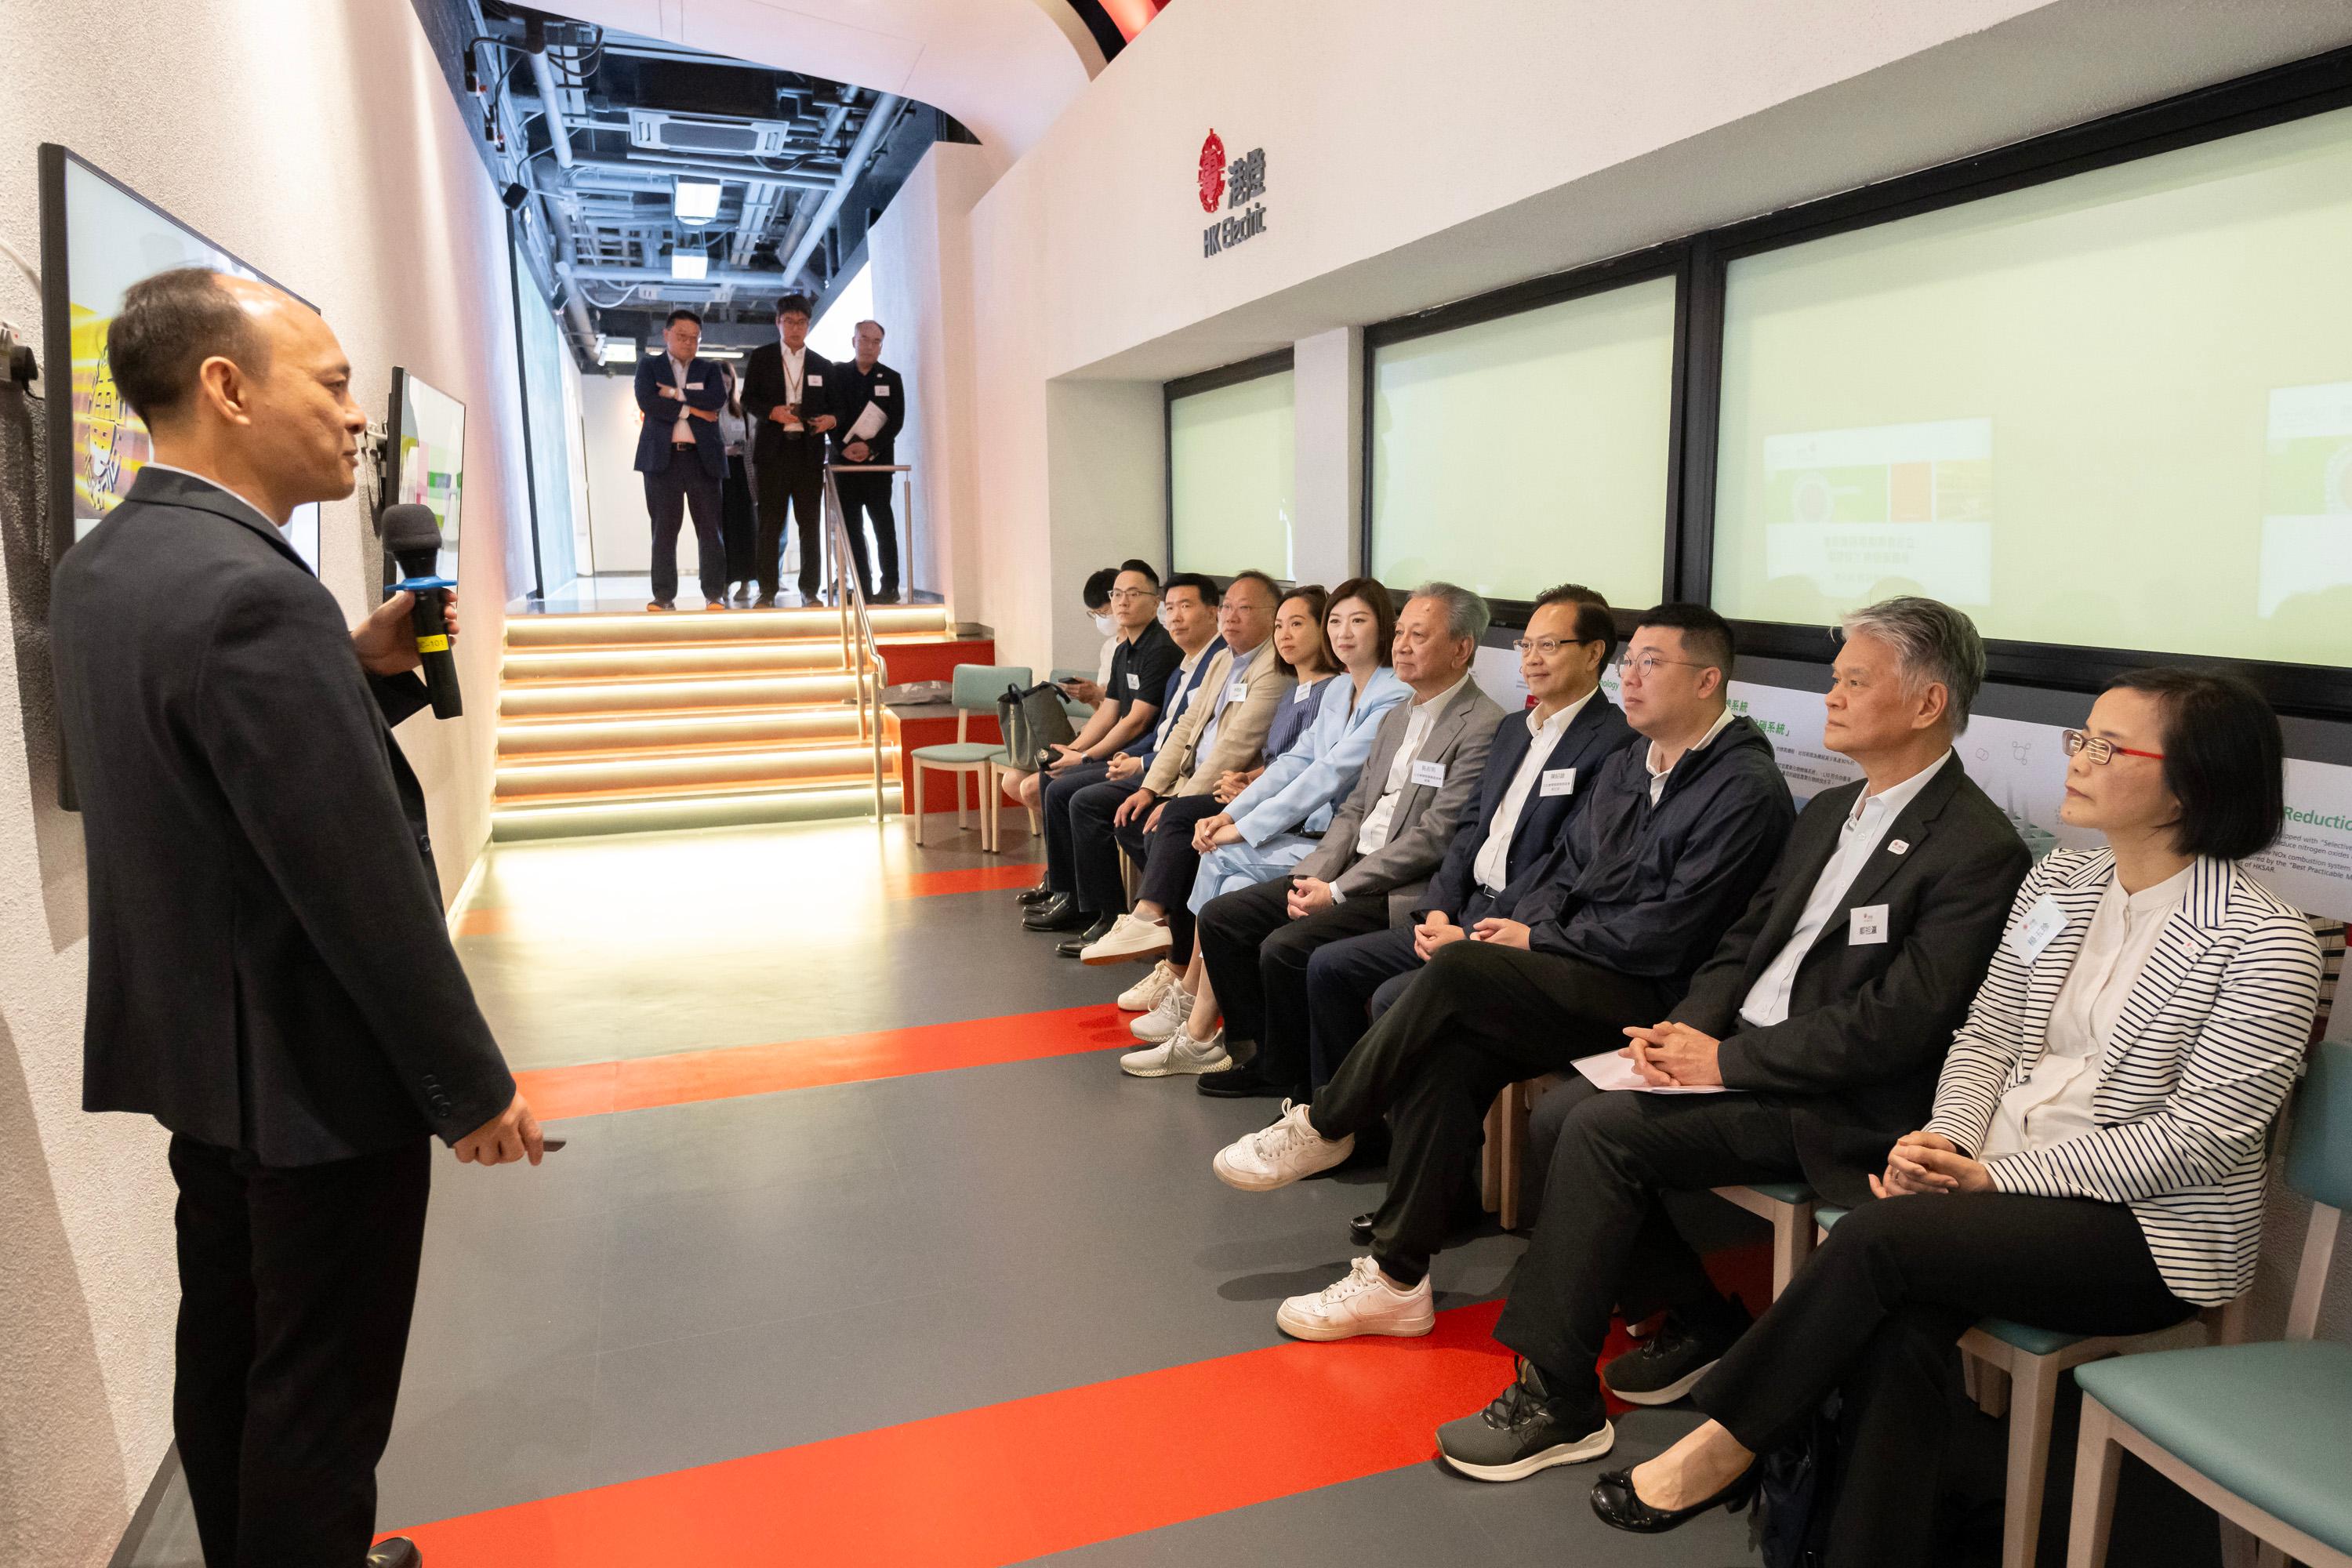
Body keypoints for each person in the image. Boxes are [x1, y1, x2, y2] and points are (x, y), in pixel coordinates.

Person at [1592, 669, 2321, 1568]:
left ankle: (1731, 1436)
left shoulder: (2265, 938)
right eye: (2080, 737)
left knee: (1882, 1241)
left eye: (2108, 746)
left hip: (2145, 1231)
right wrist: (1949, 1143)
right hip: (1990, 1191)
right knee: (1900, 1318)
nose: (2080, 758)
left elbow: (2199, 1138)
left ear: (2195, 780)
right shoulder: (2065, 876)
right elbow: (1987, 1032)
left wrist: (1988, 1177)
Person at [49, 268, 543, 1568]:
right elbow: (354, 874)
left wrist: (342, 671)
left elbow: (217, 786)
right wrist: (468, 1085)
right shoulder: (255, 592)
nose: (352, 419)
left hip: (202, 1056)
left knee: (230, 1347)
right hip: (313, 1077)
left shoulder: (109, 565)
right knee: (321, 1397)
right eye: (329, 385)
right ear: (226, 386)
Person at [1427, 598, 2032, 1483]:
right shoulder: (1830, 811)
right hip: (1741, 1055)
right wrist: (1691, 1028)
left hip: (1831, 1101)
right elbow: (1745, 940)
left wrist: (1724, 1060)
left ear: (1928, 703)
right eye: (1835, 677)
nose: (1830, 696)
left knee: (1598, 1128)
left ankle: (1557, 1396)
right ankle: (1705, 1326)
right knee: (1562, 1113)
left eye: (1854, 680)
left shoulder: (1977, 846)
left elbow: (1897, 1025)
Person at [1209, 604, 1795, 1339]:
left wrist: (1539, 939)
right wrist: (1531, 925)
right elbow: (1561, 865)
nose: (1632, 677)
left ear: (1709, 681)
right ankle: (1396, 1279)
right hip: (1576, 963)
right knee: (1448, 1054)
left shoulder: (1742, 786)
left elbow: (1672, 930)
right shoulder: (1632, 763)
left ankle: (1328, 1120)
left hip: (1652, 993)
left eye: (1652, 663)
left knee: (1456, 975)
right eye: (1632, 661)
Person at [1299, 584, 1639, 1094]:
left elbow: (1564, 862)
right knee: (1329, 966)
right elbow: (1467, 834)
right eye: (1526, 646)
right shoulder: (1515, 730)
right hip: (1462, 912)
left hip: (1515, 929)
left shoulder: (1616, 743)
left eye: (1549, 646)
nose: (1532, 659)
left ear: (1594, 654)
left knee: (1396, 996)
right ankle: (1341, 1122)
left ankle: (1340, 1120)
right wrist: (1438, 910)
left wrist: (1476, 933)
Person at [1185, 583, 1504, 1099]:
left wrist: (1337, 890)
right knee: (1223, 919)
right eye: (1400, 632)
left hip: (1399, 885)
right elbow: (1356, 805)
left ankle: (1317, 1090)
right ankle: (1270, 1056)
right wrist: (1316, 873)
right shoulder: (1400, 714)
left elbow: (1436, 835)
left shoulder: (1484, 724)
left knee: (1284, 948)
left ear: (1461, 648)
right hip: (1346, 865)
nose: (1400, 645)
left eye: (1417, 636)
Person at [1121, 582, 1406, 1073]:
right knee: (1221, 863)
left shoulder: (1394, 694)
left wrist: (1245, 830)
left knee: (1223, 858)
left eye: (1357, 621)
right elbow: (1293, 762)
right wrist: (1230, 815)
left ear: (1384, 626)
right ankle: (1199, 1024)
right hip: (1310, 831)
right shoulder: (1340, 688)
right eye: (1335, 621)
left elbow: (1330, 772)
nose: (1342, 632)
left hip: (1341, 845)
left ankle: (1195, 1013)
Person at [1114, 583, 1336, 1019]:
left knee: (1185, 827)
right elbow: (1281, 760)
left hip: (1297, 822)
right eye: (1280, 627)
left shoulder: (1321, 687)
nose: (1285, 635)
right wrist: (1246, 781)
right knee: (1161, 825)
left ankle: (1173, 962)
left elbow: (1312, 772)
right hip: (1253, 799)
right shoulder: (1292, 688)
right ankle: (1187, 994)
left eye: (1297, 624)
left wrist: (1242, 796)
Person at [1080, 572, 1292, 966]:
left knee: (1170, 829)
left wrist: (1177, 799)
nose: (1231, 617)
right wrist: (1150, 788)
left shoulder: (1274, 668)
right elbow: (1183, 728)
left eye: (1244, 609)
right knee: (1134, 817)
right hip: (1189, 776)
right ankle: (1162, 935)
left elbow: (1235, 748)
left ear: (1272, 616)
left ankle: (1165, 944)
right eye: (1228, 607)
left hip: (1228, 787)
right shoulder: (1223, 659)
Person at [1036, 573, 1226, 950]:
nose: (1175, 617)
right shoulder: (1175, 661)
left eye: (1184, 607)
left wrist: (1129, 762)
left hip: (1174, 773)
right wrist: (1089, 752)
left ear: (1212, 613)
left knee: (1081, 799)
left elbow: (1150, 725)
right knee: (1057, 783)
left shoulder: (1196, 659)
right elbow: (1157, 727)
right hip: (1149, 760)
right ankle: (1072, 894)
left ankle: (1110, 915)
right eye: (1171, 608)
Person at [1018, 565, 1179, 932]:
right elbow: (1109, 711)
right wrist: (1070, 750)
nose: (1122, 602)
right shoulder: (1125, 649)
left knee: (1071, 793)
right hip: (1126, 749)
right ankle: (1067, 891)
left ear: (1155, 601)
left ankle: (1103, 911)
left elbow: (1137, 721)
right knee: (1052, 778)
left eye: (1134, 594)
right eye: (1117, 594)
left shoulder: (1161, 648)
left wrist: (1086, 757)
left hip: (1144, 754)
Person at [739, 293, 837, 604]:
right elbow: (747, 400)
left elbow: (836, 408)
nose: (796, 328)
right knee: (770, 523)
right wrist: (772, 412)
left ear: (808, 325)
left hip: (808, 453)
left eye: (802, 322)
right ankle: (767, 590)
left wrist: (831, 420)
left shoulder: (822, 364)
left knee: (810, 525)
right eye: (789, 321)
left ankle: (810, 590)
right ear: (778, 322)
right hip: (772, 453)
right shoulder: (762, 357)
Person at [632, 307, 730, 611]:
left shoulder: (710, 369)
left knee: (710, 530)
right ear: (666, 335)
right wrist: (692, 410)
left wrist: (674, 394)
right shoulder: (649, 366)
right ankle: (663, 597)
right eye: (682, 336)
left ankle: (714, 594)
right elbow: (648, 401)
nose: (688, 343)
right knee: (663, 530)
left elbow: (716, 401)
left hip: (703, 460)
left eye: (694, 338)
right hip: (662, 461)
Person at [826, 318, 908, 601]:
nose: (869, 346)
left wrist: (870, 448)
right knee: (852, 529)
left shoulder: (891, 378)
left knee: (884, 526)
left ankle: (890, 587)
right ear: (853, 341)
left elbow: (896, 421)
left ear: (881, 347)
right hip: (844, 465)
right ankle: (862, 587)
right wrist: (843, 447)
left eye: (876, 342)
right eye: (864, 339)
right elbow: (831, 416)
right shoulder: (836, 375)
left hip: (878, 465)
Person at [716, 361, 759, 604]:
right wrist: (724, 450)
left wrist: (741, 447)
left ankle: (746, 581)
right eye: (721, 382)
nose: (725, 387)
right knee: (723, 528)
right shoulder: (708, 410)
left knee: (746, 528)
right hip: (720, 474)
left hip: (742, 473)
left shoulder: (740, 409)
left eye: (728, 383)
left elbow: (752, 436)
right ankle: (723, 582)